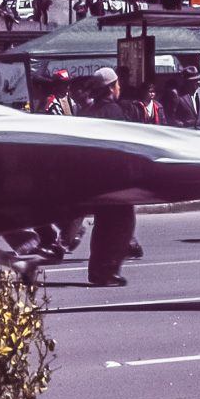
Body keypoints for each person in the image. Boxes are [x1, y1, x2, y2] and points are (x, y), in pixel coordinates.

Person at [79, 67, 138, 287]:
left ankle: (97, 270)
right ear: (111, 87)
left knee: (103, 225)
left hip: (95, 180)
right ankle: (108, 270)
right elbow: (120, 145)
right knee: (122, 223)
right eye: (118, 84)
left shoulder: (89, 111)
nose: (119, 88)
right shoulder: (113, 111)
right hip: (115, 178)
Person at [166, 65, 200, 129]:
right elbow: (171, 118)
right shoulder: (176, 94)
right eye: (195, 80)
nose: (198, 82)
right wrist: (183, 126)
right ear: (187, 82)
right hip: (186, 135)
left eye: (198, 79)